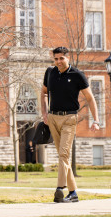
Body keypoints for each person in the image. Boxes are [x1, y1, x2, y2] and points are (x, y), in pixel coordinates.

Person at [41, 46, 100, 203]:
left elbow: (90, 98)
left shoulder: (77, 75)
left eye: (62, 58)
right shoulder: (50, 72)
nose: (59, 61)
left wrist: (96, 120)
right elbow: (44, 93)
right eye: (56, 59)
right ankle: (73, 193)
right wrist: (44, 113)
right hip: (53, 118)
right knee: (63, 158)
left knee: (64, 154)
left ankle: (60, 189)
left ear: (68, 58)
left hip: (69, 119)